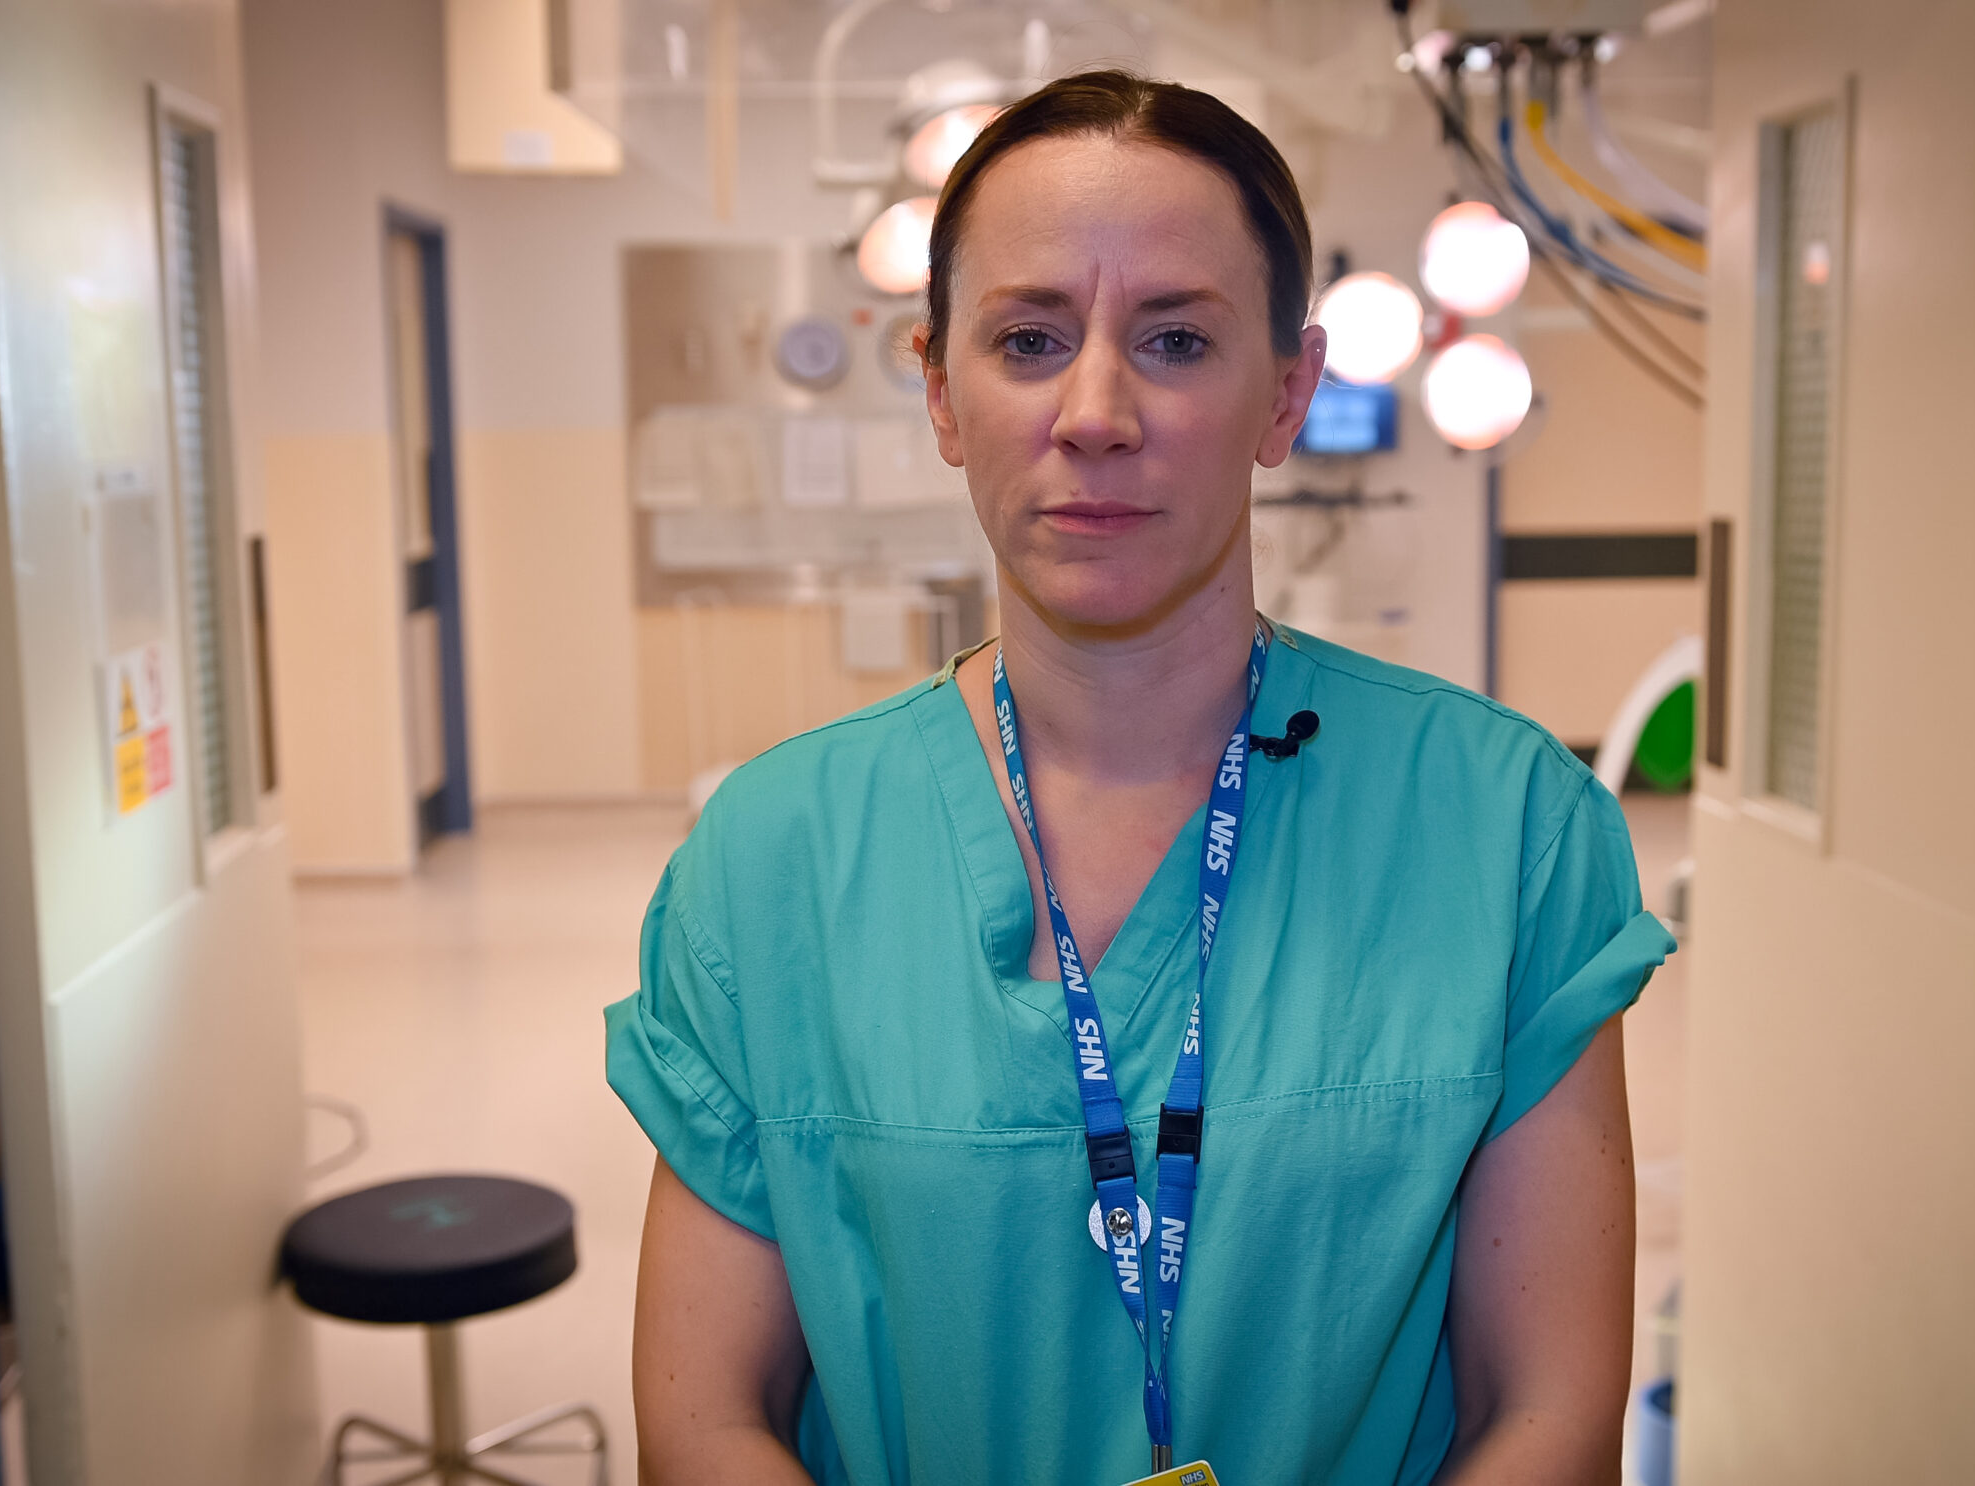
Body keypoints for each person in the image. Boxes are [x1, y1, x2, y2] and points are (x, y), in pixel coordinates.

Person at [608, 70, 1674, 1486]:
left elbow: (1545, 1416)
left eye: (1175, 339)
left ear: (1286, 390)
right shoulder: (773, 861)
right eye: (1029, 338)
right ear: (940, 387)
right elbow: (705, 1418)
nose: (1096, 409)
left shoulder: (1506, 830)